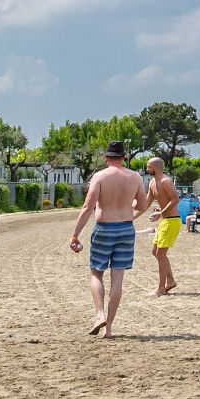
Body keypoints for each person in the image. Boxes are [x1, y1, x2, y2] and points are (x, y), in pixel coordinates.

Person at [67, 139, 151, 338]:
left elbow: (88, 207)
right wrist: (128, 213)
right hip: (126, 229)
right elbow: (143, 205)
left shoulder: (100, 176)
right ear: (124, 157)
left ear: (106, 158)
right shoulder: (135, 177)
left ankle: (100, 314)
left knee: (96, 274)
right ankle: (109, 328)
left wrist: (75, 234)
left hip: (104, 228)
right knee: (118, 278)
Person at [145, 156, 180, 297]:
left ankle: (161, 288)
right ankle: (170, 280)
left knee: (161, 254)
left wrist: (161, 213)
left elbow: (175, 199)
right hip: (165, 220)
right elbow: (146, 203)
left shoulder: (166, 181)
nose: (147, 169)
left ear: (156, 168)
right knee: (155, 252)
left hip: (172, 220)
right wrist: (131, 214)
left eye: (149, 167)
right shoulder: (152, 183)